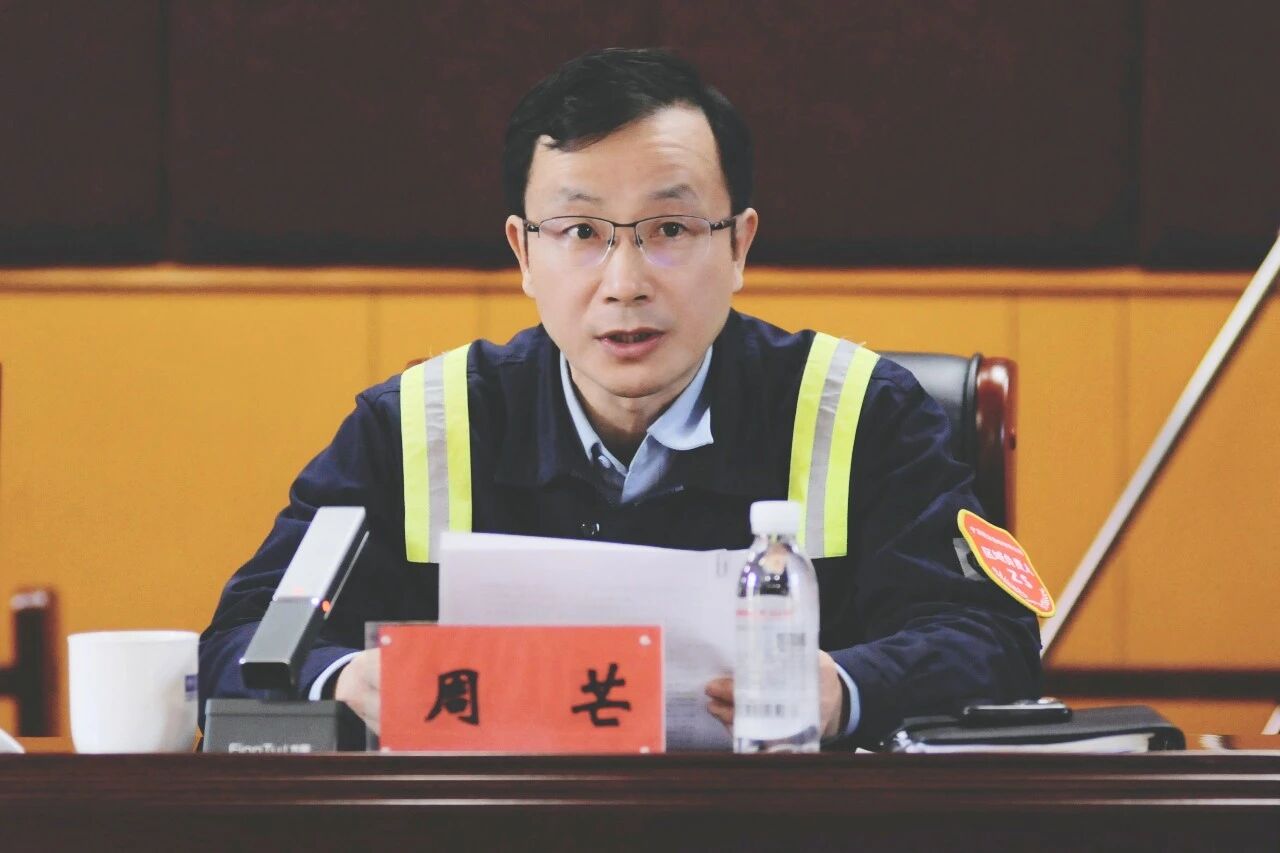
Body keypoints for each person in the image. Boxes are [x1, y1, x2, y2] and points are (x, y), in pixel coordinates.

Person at [200, 47, 1042, 749]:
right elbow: (238, 643)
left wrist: (843, 687)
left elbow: (994, 639)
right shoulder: (415, 426)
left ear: (739, 246)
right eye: (582, 233)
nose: (625, 282)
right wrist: (344, 677)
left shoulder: (862, 412)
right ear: (523, 254)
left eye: (669, 229)